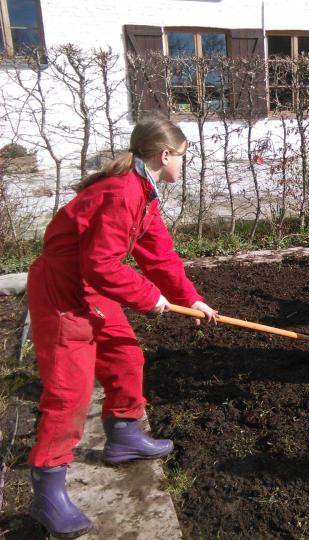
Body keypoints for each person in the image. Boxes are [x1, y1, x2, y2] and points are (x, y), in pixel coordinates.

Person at [26, 116, 218, 538]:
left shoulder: (143, 193)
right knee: (69, 392)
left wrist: (190, 299)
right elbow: (100, 264)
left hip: (90, 288)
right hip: (63, 293)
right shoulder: (121, 192)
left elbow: (159, 255)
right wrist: (149, 297)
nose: (182, 165)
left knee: (125, 355)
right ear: (164, 155)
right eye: (182, 157)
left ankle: (124, 435)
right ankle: (47, 489)